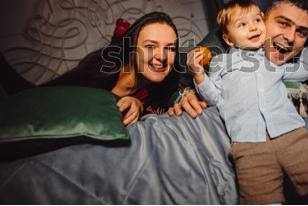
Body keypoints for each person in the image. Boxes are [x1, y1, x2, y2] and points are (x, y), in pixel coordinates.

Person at [168, 0, 308, 205]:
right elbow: (178, 83)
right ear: (263, 18)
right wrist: (186, 93)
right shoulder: (221, 46)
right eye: (283, 23)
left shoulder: (296, 62)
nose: (291, 37)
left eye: (301, 32)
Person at [1, 12, 180, 126]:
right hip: (55, 106)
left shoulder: (169, 84)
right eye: (150, 46)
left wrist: (139, 106)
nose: (162, 57)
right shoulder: (104, 70)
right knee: (25, 97)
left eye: (170, 48)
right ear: (132, 50)